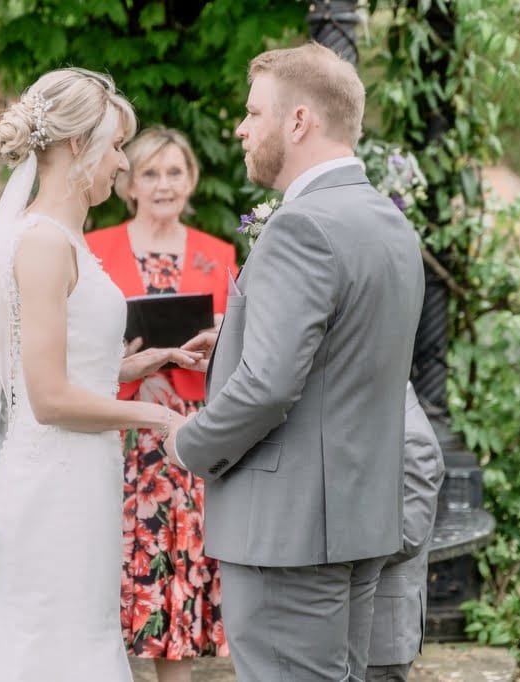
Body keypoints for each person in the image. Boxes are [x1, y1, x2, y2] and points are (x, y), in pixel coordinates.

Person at [166, 42, 426, 682]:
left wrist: (188, 442)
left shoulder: (300, 226)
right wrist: (236, 334)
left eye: (255, 113)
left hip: (288, 536)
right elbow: (347, 356)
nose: (241, 127)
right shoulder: (388, 223)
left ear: (300, 121)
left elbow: (268, 385)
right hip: (358, 525)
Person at [0, 68, 199, 682]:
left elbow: (61, 368)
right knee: (57, 650)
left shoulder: (59, 239)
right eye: (114, 147)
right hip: (53, 489)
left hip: (77, 478)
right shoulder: (45, 244)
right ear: (78, 146)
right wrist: (156, 414)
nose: (122, 165)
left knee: (79, 642)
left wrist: (136, 366)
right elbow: (48, 399)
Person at [86, 127, 237, 682]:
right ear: (128, 183)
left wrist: (222, 340)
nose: (163, 184)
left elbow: (244, 353)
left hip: (190, 435)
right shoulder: (95, 249)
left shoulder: (217, 256)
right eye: (150, 172)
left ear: (192, 180)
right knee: (126, 566)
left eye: (175, 172)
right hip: (122, 433)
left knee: (183, 566)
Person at [366, 383, 445, 682]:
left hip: (383, 635)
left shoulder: (413, 438)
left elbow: (409, 535)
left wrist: (331, 551)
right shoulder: (386, 420)